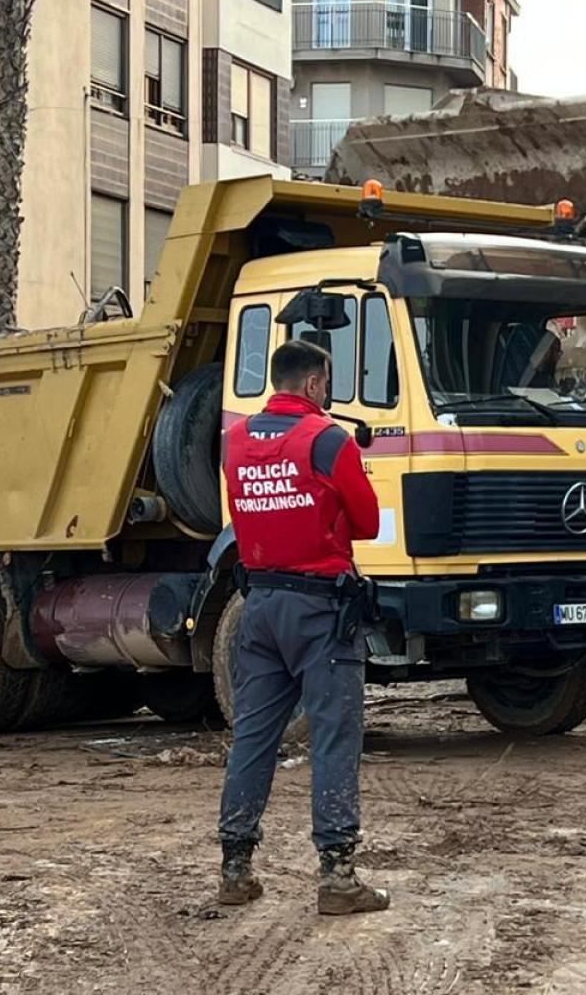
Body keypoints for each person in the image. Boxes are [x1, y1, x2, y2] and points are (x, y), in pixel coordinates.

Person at [217, 339, 389, 916]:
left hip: (260, 604)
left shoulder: (234, 440)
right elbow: (367, 521)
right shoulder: (328, 439)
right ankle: (337, 878)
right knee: (335, 738)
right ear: (315, 384)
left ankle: (235, 868)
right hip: (320, 612)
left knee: (254, 738)